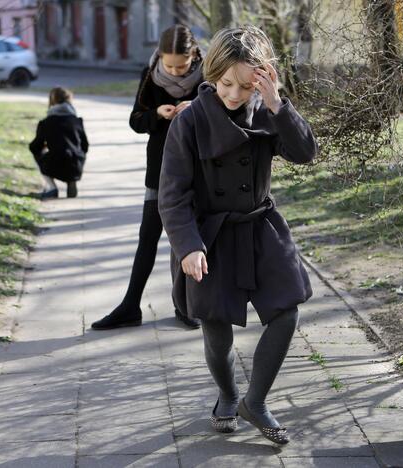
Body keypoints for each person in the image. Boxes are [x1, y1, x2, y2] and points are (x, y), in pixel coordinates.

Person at [157, 26, 318, 444]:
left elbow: (305, 154)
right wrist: (188, 246)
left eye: (245, 85)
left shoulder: (268, 110)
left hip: (261, 227)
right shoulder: (190, 121)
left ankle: (256, 401)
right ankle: (228, 395)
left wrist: (278, 104)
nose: (233, 93)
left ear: (261, 78)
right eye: (226, 83)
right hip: (209, 236)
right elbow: (172, 195)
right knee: (216, 327)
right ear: (212, 73)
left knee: (287, 310)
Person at [91, 25, 204, 330]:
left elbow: (225, 111)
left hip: (201, 170)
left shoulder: (209, 75)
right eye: (170, 65)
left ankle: (186, 306)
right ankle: (130, 306)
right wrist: (157, 114)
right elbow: (135, 121)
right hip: (161, 169)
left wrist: (196, 107)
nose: (176, 70)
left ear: (194, 55)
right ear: (160, 58)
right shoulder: (151, 75)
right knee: (148, 237)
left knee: (190, 239)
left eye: (181, 65)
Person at [28, 87, 89, 200]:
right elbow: (85, 146)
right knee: (72, 155)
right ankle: (71, 180)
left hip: (55, 162)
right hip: (76, 163)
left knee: (37, 152)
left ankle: (52, 187)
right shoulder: (77, 121)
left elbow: (35, 146)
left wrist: (46, 147)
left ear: (53, 101)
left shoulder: (46, 123)